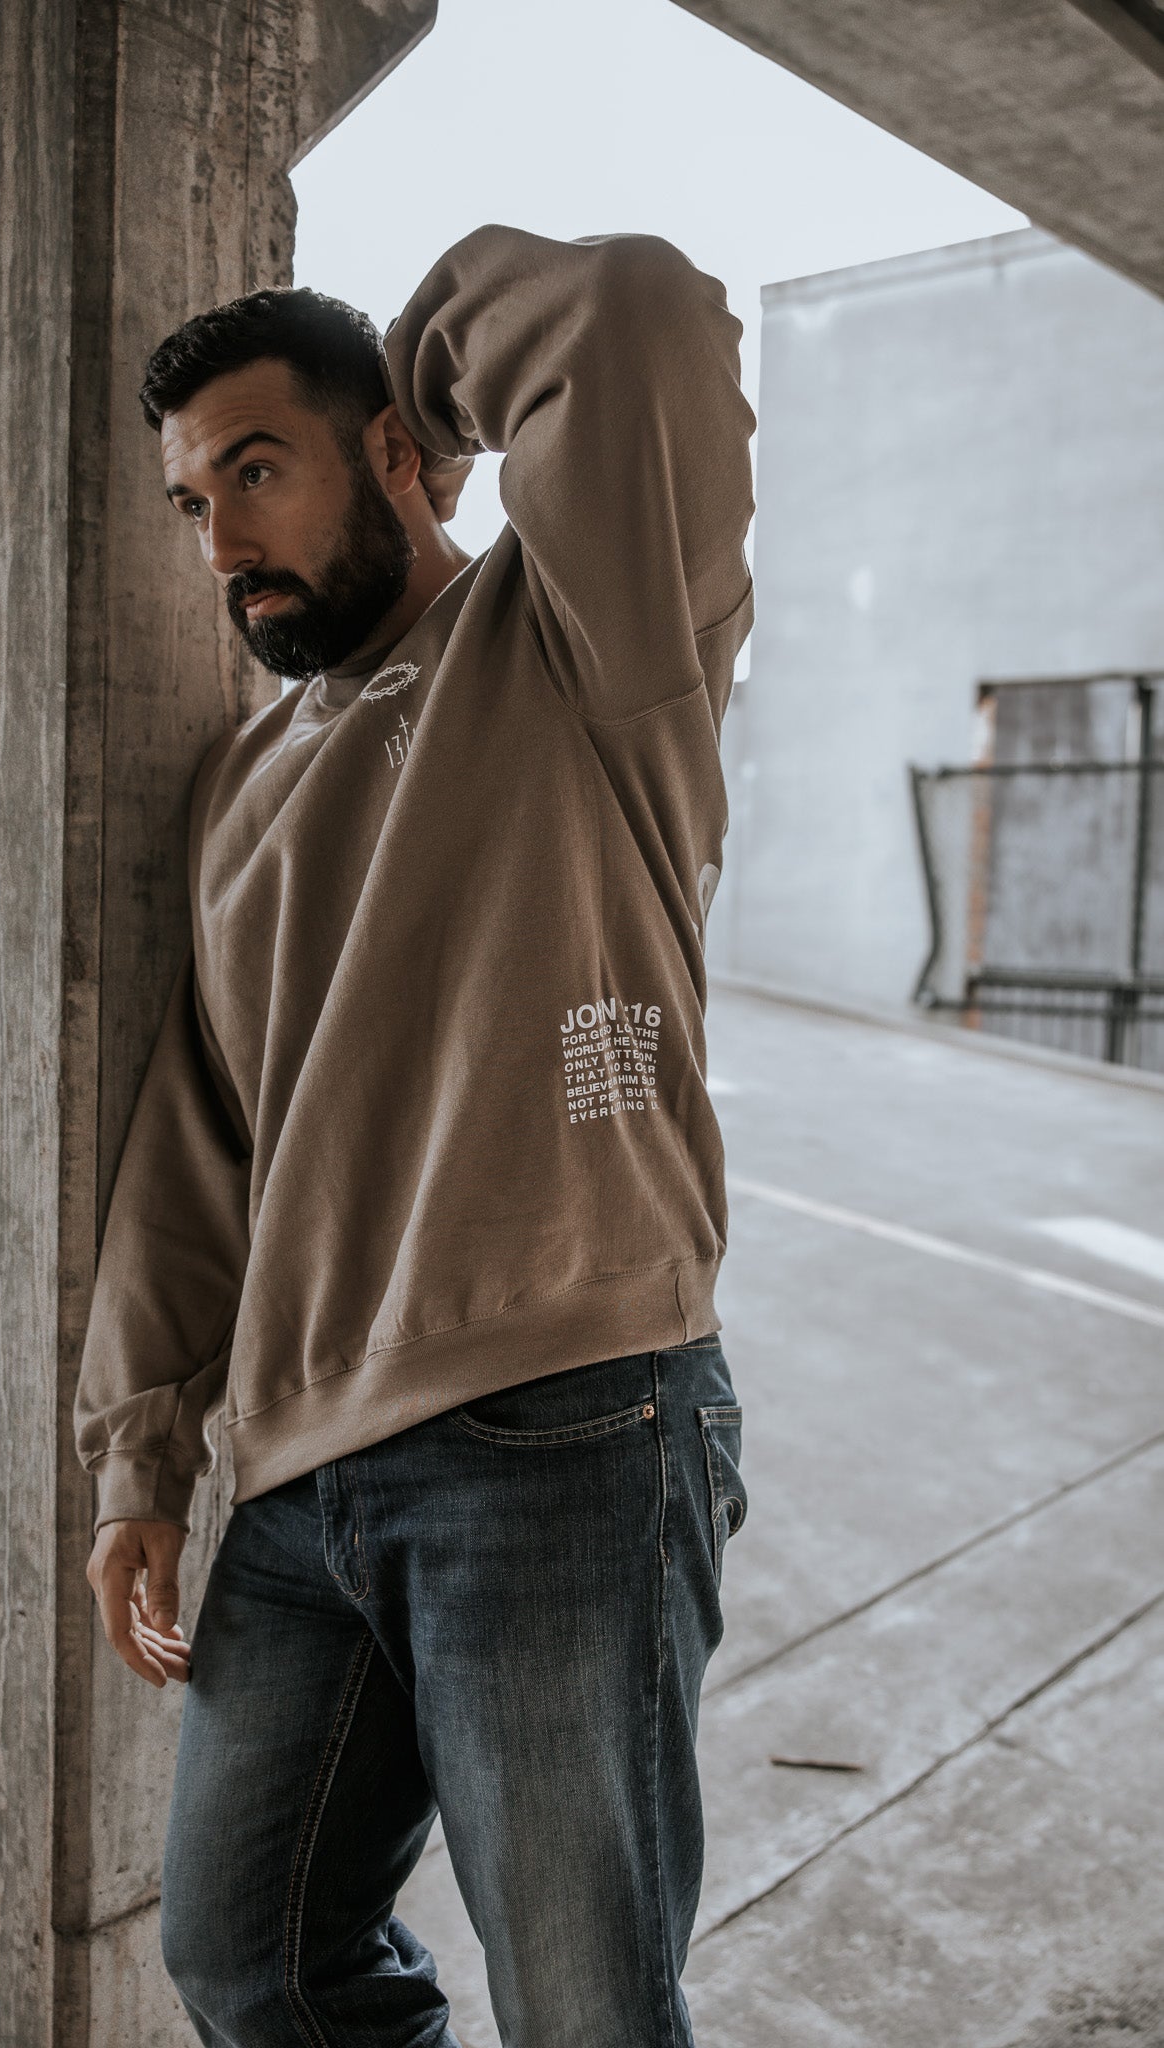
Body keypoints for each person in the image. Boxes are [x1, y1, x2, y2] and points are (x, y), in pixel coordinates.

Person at [75, 221, 755, 2048]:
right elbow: (204, 1134)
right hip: (301, 1463)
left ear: (390, 453)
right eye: (191, 501)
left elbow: (632, 311)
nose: (220, 542)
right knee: (249, 1961)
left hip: (563, 1418)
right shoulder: (242, 778)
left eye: (258, 471)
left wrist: (423, 394)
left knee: (584, 2010)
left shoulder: (584, 642)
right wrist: (142, 1454)